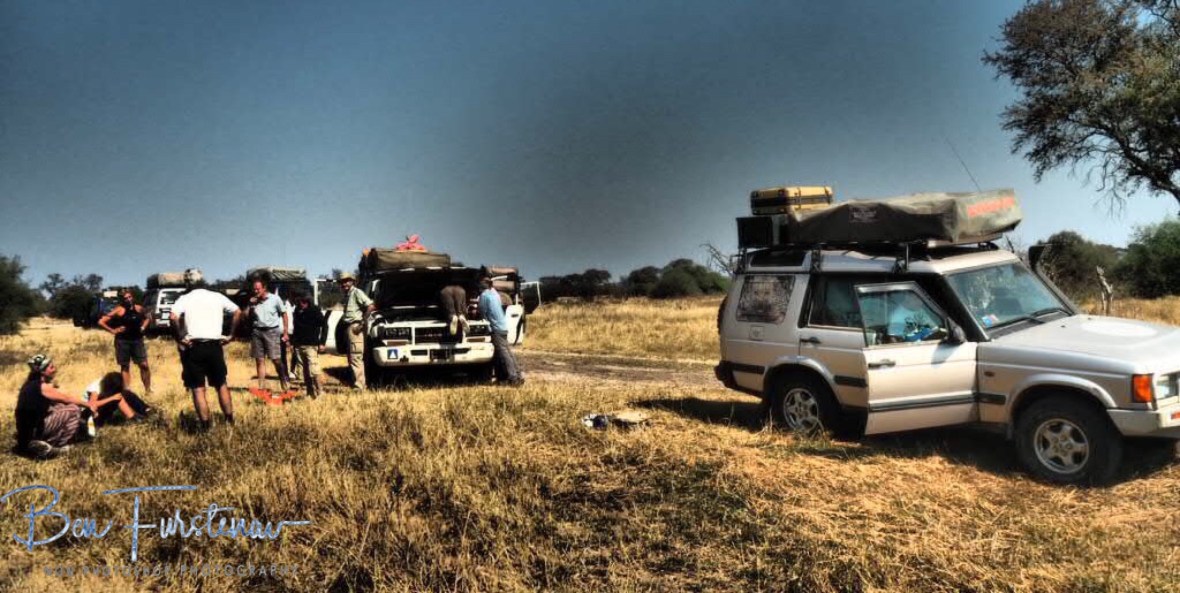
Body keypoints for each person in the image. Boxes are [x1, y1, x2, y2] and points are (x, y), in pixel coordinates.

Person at [171, 269, 242, 430]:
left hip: (194, 347)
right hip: (215, 346)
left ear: (188, 282)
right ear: (203, 280)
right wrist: (231, 335)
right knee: (221, 384)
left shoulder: (185, 298)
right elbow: (238, 312)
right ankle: (229, 421)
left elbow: (173, 317)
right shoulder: (216, 296)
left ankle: (205, 427)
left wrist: (180, 338)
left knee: (198, 389)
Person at [15, 354, 96, 458]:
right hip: (34, 430)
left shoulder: (30, 385)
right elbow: (67, 398)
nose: (55, 369)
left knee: (59, 406)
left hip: (26, 431)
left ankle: (37, 442)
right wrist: (89, 405)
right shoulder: (42, 387)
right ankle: (60, 446)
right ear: (43, 372)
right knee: (74, 409)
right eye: (51, 367)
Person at [97, 288, 152, 395]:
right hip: (123, 341)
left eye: (129, 297)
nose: (128, 300)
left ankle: (148, 390)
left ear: (133, 297)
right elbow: (101, 321)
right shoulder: (119, 310)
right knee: (125, 366)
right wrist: (113, 330)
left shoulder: (139, 308)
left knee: (144, 365)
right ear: (122, 300)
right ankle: (127, 392)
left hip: (137, 340)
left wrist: (143, 327)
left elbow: (148, 317)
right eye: (125, 298)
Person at [479, 271, 524, 386]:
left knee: (504, 354)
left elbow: (483, 312)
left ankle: (513, 377)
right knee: (508, 352)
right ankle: (518, 375)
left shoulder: (484, 296)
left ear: (483, 285)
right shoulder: (495, 293)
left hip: (496, 328)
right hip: (503, 325)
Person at [247, 280, 290, 394]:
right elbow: (248, 317)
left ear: (264, 288)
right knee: (259, 360)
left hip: (272, 331)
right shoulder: (254, 301)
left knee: (276, 359)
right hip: (257, 331)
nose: (256, 291)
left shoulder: (275, 299)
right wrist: (251, 306)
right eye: (254, 289)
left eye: (258, 289)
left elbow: (284, 314)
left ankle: (284, 381)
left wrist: (285, 332)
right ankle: (262, 387)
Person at [339, 272, 375, 390]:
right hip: (348, 327)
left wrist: (362, 323)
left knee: (356, 357)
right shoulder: (347, 295)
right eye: (342, 281)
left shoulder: (357, 292)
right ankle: (355, 383)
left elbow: (370, 306)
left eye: (346, 281)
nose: (344, 283)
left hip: (355, 327)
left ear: (352, 281)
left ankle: (360, 386)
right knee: (351, 357)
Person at [290, 291, 329, 398]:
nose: (300, 303)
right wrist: (293, 343)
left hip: (311, 345)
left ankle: (320, 392)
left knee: (314, 370)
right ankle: (309, 392)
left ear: (307, 301)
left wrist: (322, 342)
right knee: (305, 371)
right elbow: (295, 328)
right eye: (298, 301)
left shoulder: (314, 310)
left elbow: (325, 325)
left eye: (302, 301)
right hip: (299, 345)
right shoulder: (297, 311)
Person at [83, 372, 150, 426]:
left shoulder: (109, 384)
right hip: (89, 414)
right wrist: (111, 398)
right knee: (117, 398)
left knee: (126, 393)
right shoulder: (95, 388)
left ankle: (146, 410)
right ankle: (134, 420)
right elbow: (91, 404)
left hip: (102, 407)